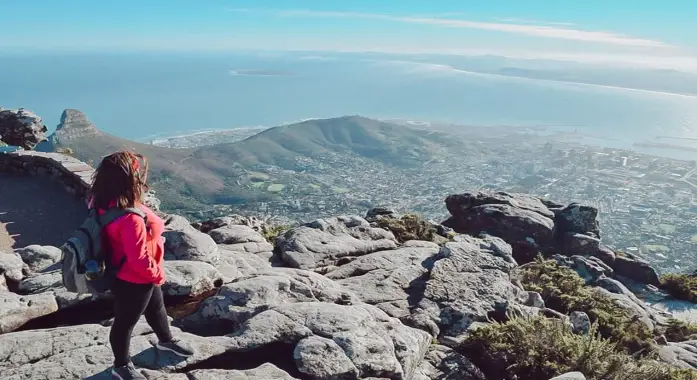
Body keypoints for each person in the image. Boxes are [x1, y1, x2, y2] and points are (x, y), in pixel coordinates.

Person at [90, 151, 194, 380]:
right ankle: (121, 366)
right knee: (125, 323)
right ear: (128, 180)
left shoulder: (103, 202)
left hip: (120, 268)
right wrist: (156, 274)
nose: (140, 176)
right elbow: (138, 259)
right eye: (136, 173)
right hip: (134, 277)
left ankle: (166, 341)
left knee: (157, 308)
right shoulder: (130, 219)